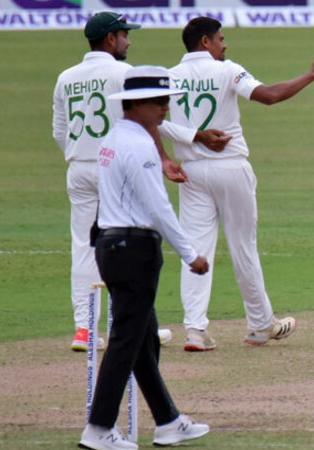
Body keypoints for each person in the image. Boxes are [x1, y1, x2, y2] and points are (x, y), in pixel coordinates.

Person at [52, 11, 229, 352]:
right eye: (124, 35)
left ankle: (84, 330)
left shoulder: (66, 78)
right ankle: (136, 323)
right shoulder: (124, 74)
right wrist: (191, 138)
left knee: (84, 247)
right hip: (117, 164)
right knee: (134, 242)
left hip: (79, 167)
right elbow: (151, 120)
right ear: (110, 39)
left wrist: (80, 153)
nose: (128, 41)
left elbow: (59, 130)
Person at [167, 17, 314, 351]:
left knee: (195, 250)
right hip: (231, 167)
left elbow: (155, 121)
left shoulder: (169, 76)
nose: (224, 44)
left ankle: (195, 330)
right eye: (220, 38)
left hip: (191, 171)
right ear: (205, 42)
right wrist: (312, 74)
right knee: (243, 246)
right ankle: (260, 325)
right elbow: (269, 96)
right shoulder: (227, 69)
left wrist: (192, 136)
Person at [80, 65, 210, 450]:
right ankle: (98, 428)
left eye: (166, 100)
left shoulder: (115, 137)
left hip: (113, 244)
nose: (165, 107)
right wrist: (190, 254)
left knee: (142, 341)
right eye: (158, 101)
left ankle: (168, 421)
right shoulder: (139, 146)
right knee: (127, 340)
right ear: (136, 103)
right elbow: (158, 206)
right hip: (133, 248)